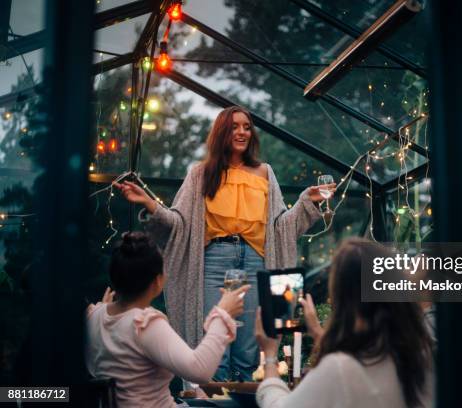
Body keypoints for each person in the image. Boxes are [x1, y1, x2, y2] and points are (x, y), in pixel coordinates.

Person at [116, 105, 334, 381]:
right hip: (213, 261)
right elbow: (179, 224)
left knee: (248, 350)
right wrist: (149, 203)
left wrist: (306, 201)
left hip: (257, 261)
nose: (242, 132)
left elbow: (280, 227)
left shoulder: (265, 172)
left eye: (246, 126)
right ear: (222, 132)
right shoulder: (201, 173)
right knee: (214, 345)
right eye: (234, 126)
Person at [254, 237, 433, 408]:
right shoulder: (422, 354)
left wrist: (270, 356)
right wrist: (317, 331)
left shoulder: (341, 369)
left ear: (344, 300)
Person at [86, 232, 249, 407]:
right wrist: (223, 313)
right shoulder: (144, 324)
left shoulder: (95, 316)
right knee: (240, 404)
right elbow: (200, 370)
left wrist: (102, 310)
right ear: (157, 281)